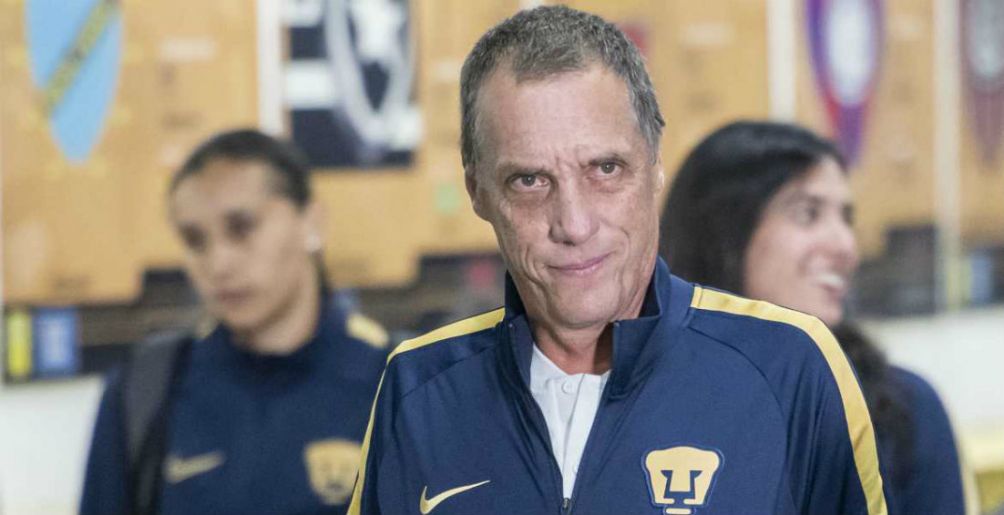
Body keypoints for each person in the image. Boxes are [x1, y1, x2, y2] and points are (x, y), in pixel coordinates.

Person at [349, 6, 886, 515]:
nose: (575, 224)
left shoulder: (789, 367)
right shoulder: (418, 390)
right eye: (530, 181)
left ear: (655, 166)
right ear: (477, 191)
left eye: (606, 169)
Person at [659, 120, 969, 515]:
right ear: (724, 234)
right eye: (808, 213)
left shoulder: (903, 411)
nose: (846, 247)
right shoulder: (641, 399)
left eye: (846, 218)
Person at [80, 129, 390, 515]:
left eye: (241, 228)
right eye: (195, 240)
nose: (218, 262)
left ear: (311, 222)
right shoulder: (147, 389)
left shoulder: (399, 383)